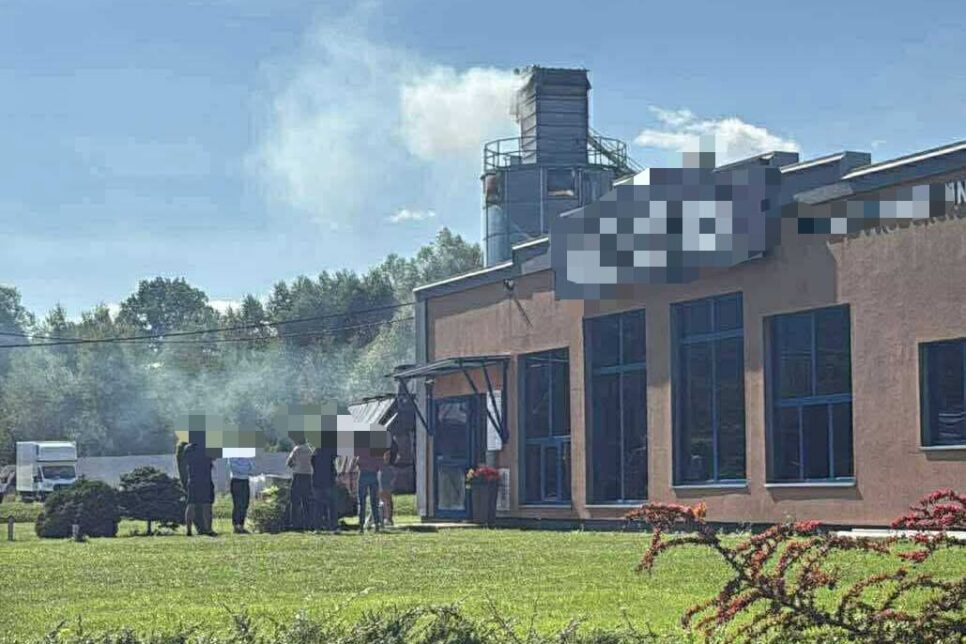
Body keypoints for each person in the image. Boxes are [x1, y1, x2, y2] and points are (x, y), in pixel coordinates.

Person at [183, 441, 216, 536]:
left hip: (193, 480)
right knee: (207, 505)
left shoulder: (188, 448)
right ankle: (208, 529)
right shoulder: (207, 448)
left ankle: (188, 530)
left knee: (191, 504)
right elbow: (214, 457)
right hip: (205, 479)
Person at [286, 436, 314, 530]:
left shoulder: (296, 449)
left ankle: (295, 524)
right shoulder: (310, 450)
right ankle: (308, 524)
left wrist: (295, 466)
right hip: (308, 476)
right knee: (307, 501)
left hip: (298, 475)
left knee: (295, 501)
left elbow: (289, 462)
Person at [355, 447, 384, 533]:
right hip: (373, 474)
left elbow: (357, 460)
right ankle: (377, 524)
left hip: (363, 473)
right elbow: (380, 462)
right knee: (374, 501)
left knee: (362, 501)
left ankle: (361, 525)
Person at [310, 444, 337, 531]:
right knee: (331, 505)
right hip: (328, 480)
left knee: (318, 505)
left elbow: (312, 463)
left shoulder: (315, 451)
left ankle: (317, 527)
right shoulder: (331, 450)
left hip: (317, 480)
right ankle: (333, 526)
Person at [227, 456, 254, 534]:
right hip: (236, 480)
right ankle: (236, 526)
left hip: (245, 480)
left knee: (245, 504)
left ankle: (241, 525)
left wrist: (244, 468)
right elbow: (234, 468)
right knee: (238, 504)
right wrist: (244, 468)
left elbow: (250, 466)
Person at [377, 436, 400, 527]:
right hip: (385, 469)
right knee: (383, 495)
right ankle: (385, 517)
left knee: (385, 495)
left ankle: (388, 518)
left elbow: (387, 456)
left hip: (385, 469)